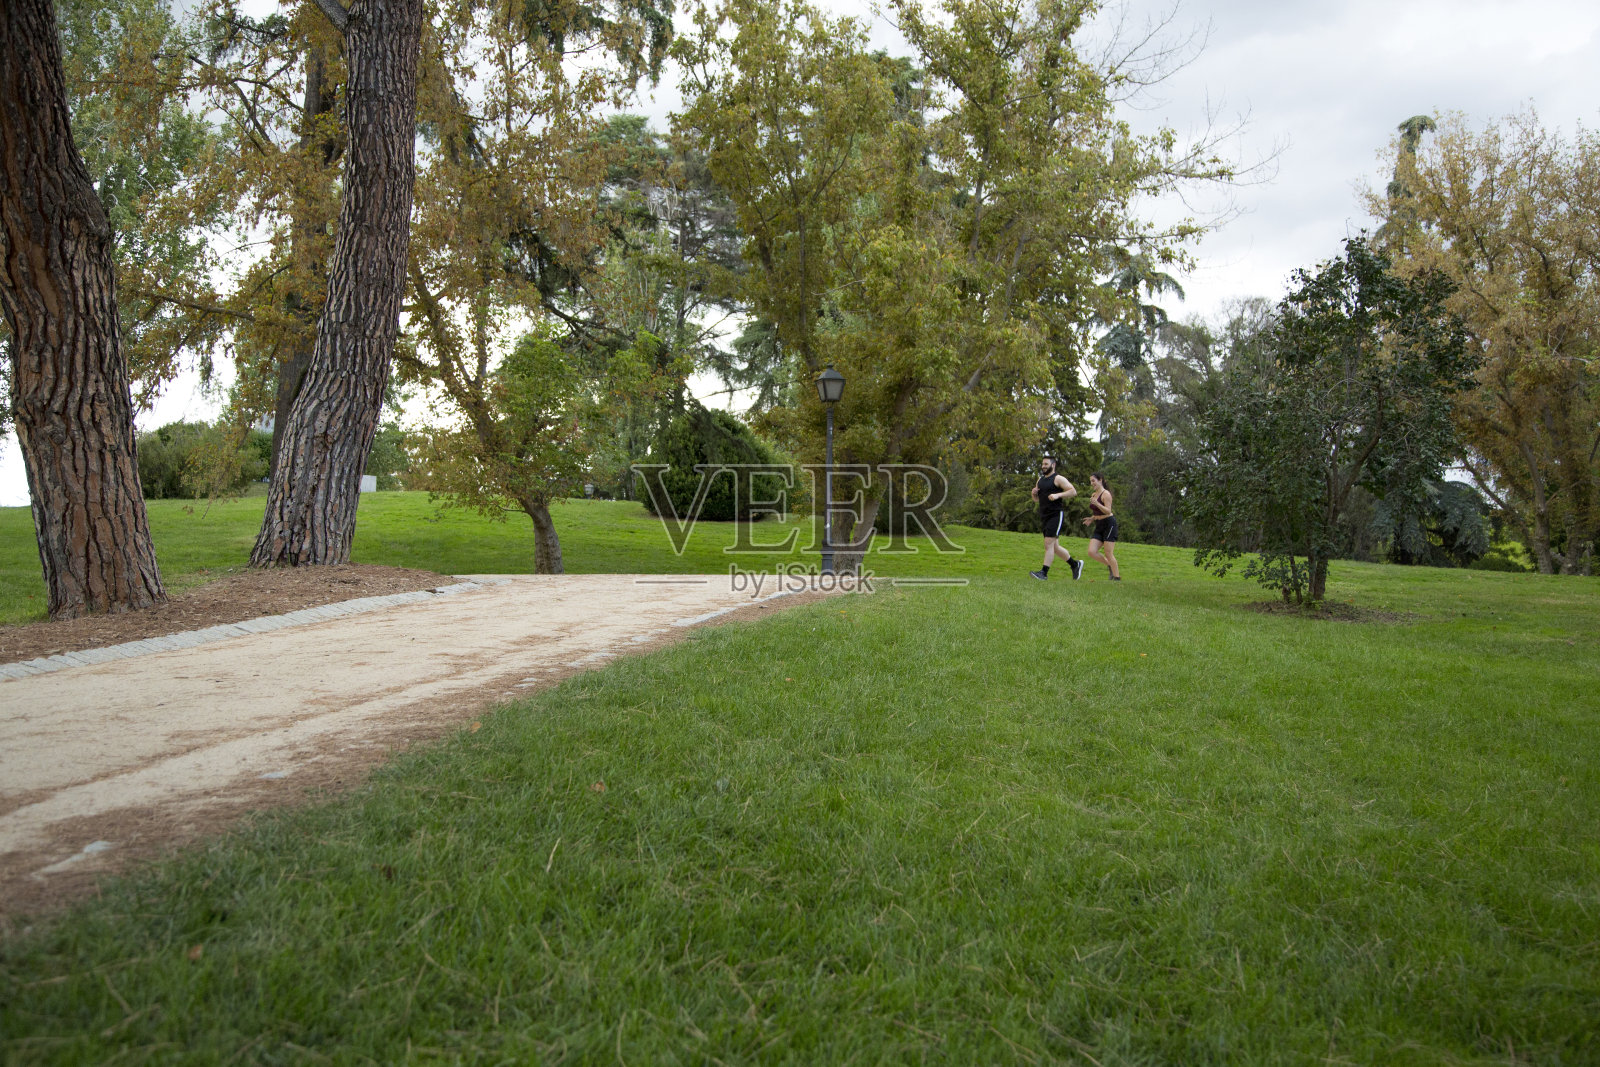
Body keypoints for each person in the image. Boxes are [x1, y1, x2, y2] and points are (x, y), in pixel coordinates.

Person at [1030, 456, 1083, 581]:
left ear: (1053, 465)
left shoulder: (1058, 478)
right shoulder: (1040, 480)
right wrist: (1033, 494)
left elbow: (1073, 491)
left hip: (1055, 515)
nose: (1043, 466)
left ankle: (1043, 573)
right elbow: (1037, 499)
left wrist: (1058, 495)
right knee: (1055, 547)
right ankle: (1075, 565)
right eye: (1042, 464)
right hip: (1044, 515)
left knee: (1048, 544)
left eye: (1046, 464)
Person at [1081, 472, 1121, 580]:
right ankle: (1109, 565)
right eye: (1090, 481)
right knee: (1091, 552)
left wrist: (1097, 503)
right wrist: (1092, 518)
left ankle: (1117, 578)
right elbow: (1097, 512)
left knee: (1108, 553)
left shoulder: (1106, 494)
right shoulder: (1094, 495)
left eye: (1093, 481)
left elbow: (1108, 511)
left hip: (1109, 524)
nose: (1091, 483)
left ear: (1100, 480)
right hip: (1099, 525)